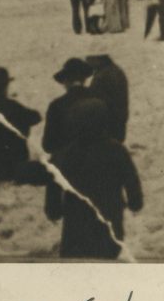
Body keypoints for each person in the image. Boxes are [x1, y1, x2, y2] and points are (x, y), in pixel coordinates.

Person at [44, 98, 143, 260]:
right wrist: (134, 203)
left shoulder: (64, 154)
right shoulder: (117, 150)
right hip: (110, 225)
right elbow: (132, 183)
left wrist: (54, 210)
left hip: (75, 229)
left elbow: (53, 187)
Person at [43, 58, 95, 155]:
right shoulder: (99, 97)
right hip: (98, 160)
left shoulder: (57, 105)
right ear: (84, 79)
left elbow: (48, 145)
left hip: (70, 162)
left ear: (66, 81)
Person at [86, 55, 130, 143]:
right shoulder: (115, 70)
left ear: (97, 59)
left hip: (106, 131)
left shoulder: (102, 77)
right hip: (118, 128)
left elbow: (96, 107)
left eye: (88, 59)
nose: (86, 62)